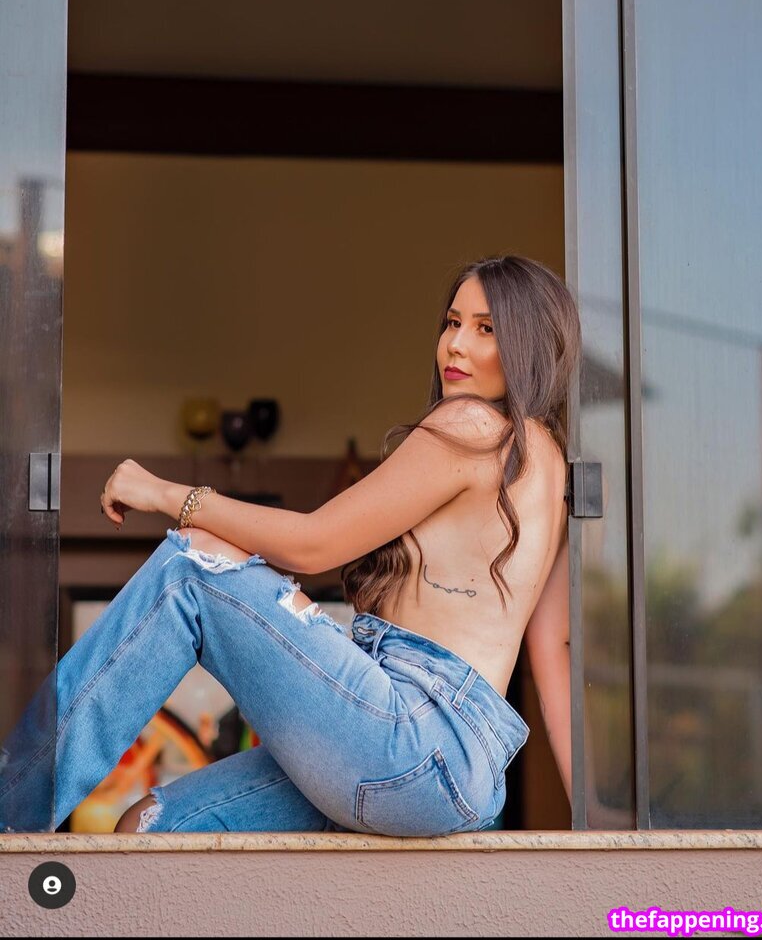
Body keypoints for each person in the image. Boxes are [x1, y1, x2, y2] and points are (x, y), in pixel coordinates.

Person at [0, 254, 581, 835]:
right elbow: (551, 650)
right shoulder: (553, 470)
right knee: (154, 826)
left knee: (190, 568)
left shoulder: (473, 427)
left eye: (486, 329)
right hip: (461, 774)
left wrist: (164, 493)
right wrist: (597, 829)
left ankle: (10, 813)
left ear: (527, 346)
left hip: (410, 739)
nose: (456, 344)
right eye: (452, 323)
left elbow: (313, 544)